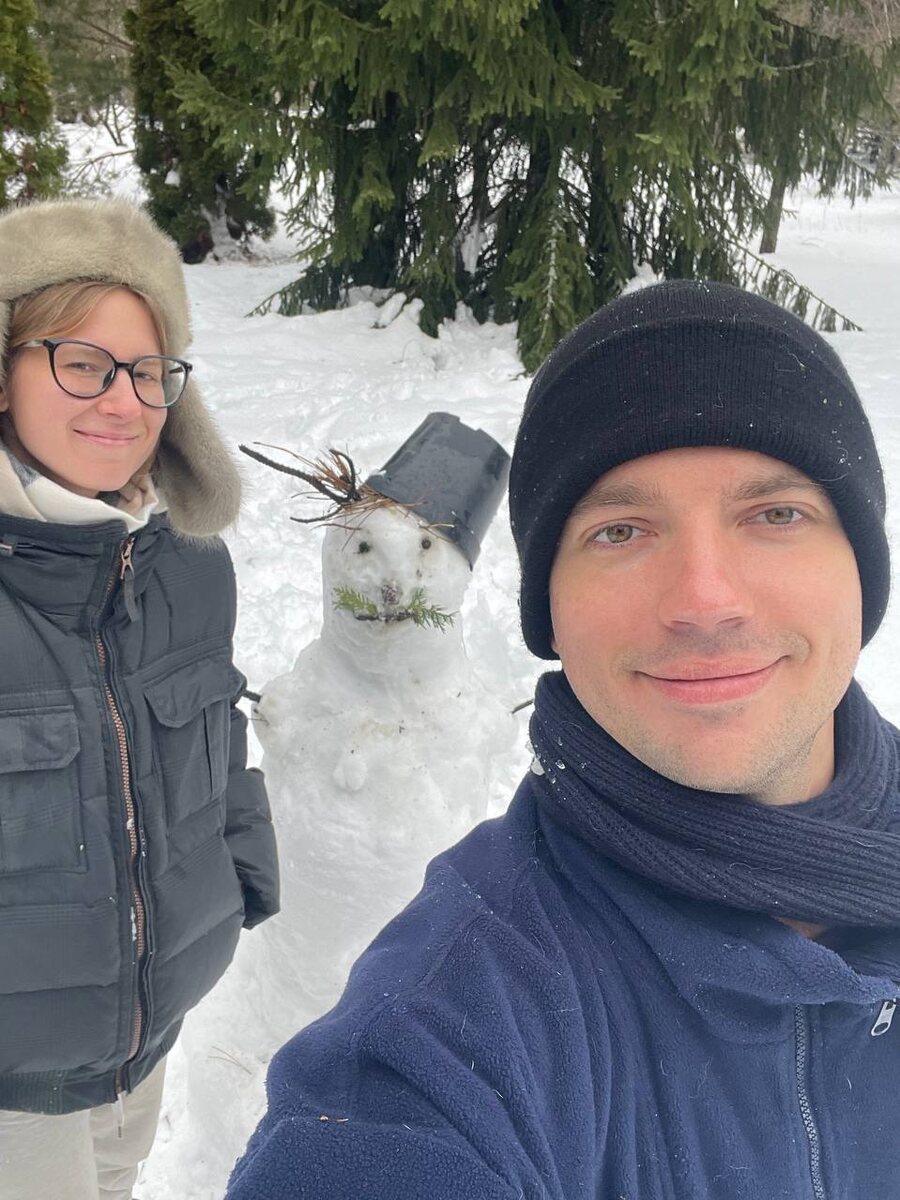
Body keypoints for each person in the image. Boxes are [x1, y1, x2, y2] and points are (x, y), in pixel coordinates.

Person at [226, 281, 900, 1199]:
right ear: (551, 607)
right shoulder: (455, 1012)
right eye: (621, 530)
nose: (706, 601)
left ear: (861, 565)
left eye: (775, 514)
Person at [0, 198, 279, 1200]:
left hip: (145, 1033)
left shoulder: (188, 566)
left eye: (149, 371)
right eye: (83, 363)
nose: (124, 402)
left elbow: (215, 738)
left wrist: (235, 876)